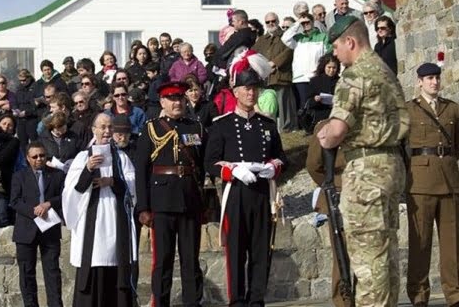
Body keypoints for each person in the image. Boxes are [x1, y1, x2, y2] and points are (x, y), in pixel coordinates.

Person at [317, 16, 409, 306]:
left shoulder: (354, 75)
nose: (335, 54)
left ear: (350, 42)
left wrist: (323, 133)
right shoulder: (385, 70)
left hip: (366, 170)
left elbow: (336, 132)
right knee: (385, 256)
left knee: (368, 261)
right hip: (392, 166)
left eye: (336, 46)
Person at [204, 50, 285, 307]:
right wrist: (232, 170)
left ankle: (256, 299)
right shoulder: (222, 125)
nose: (251, 93)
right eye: (246, 89)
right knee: (236, 252)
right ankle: (237, 301)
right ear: (235, 91)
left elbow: (282, 157)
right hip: (237, 193)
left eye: (255, 89)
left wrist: (273, 168)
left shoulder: (267, 125)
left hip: (262, 193)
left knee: (262, 251)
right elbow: (210, 162)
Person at [135, 81, 205, 307]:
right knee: (162, 262)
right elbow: (141, 169)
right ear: (162, 102)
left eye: (180, 98)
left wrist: (202, 199)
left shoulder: (195, 127)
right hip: (162, 203)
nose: (177, 103)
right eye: (172, 99)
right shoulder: (151, 128)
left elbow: (201, 166)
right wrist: (144, 207)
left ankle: (192, 303)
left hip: (189, 201)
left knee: (190, 261)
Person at [63, 113, 136, 307]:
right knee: (93, 265)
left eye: (110, 127)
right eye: (102, 127)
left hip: (115, 221)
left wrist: (111, 181)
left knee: (116, 267)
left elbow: (132, 187)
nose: (106, 131)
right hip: (92, 225)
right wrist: (87, 169)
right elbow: (71, 192)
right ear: (93, 129)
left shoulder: (121, 158)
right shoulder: (81, 158)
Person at [405, 62, 459, 307]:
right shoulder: (408, 111)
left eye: (436, 77)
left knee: (453, 244)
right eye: (428, 78)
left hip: (449, 182)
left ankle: (455, 294)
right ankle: (418, 295)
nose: (434, 82)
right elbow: (400, 148)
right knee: (420, 243)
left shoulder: (453, 109)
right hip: (420, 184)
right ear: (419, 82)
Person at [11, 141, 65, 307]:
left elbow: (65, 196)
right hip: (26, 230)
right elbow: (14, 201)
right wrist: (33, 210)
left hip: (50, 229)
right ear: (28, 158)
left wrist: (48, 204)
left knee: (52, 272)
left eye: (42, 155)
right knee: (27, 273)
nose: (39, 159)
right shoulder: (19, 176)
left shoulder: (57, 174)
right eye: (34, 157)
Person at [305, 120, 351, 307]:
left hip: (365, 194)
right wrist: (331, 184)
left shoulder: (365, 124)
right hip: (338, 195)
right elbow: (313, 165)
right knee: (342, 252)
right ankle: (343, 300)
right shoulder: (327, 126)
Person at [281, 12, 332, 116]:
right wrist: (297, 24)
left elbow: (328, 54)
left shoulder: (323, 37)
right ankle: (305, 127)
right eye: (303, 23)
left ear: (313, 22)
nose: (305, 25)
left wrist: (321, 70)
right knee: (303, 104)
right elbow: (284, 38)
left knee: (318, 102)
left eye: (307, 22)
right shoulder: (297, 38)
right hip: (301, 77)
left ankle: (318, 124)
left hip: (316, 76)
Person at [252, 12, 295, 131]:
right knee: (270, 107)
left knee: (283, 107)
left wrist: (274, 63)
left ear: (278, 21)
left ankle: (285, 130)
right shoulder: (261, 40)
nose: (271, 23)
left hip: (281, 76)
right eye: (268, 22)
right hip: (265, 79)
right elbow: (253, 54)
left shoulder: (285, 36)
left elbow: (289, 51)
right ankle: (271, 130)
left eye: (273, 21)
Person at [304, 54, 340, 132]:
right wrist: (315, 99)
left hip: (335, 115)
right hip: (319, 115)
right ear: (324, 67)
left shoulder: (341, 81)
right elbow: (308, 101)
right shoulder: (315, 81)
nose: (331, 70)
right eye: (329, 67)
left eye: (334, 68)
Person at [15, 69, 39, 152]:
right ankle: (25, 162)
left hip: (31, 119)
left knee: (34, 142)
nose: (22, 82)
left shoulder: (35, 87)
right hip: (20, 120)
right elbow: (15, 102)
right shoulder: (19, 88)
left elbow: (37, 106)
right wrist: (15, 110)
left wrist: (27, 112)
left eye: (24, 80)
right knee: (22, 143)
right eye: (20, 80)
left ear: (29, 78)